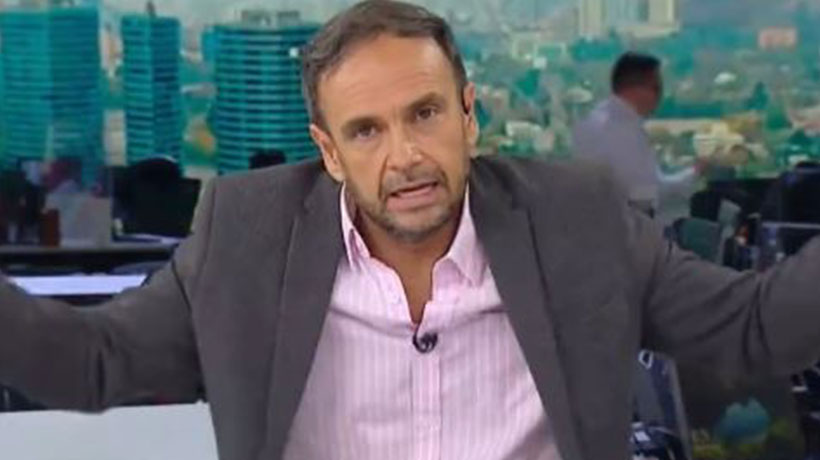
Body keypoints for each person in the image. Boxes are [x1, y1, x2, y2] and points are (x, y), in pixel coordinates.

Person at [0, 2, 819, 460]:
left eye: (425, 114)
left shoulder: (579, 219)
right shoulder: (247, 236)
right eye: (366, 131)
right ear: (328, 151)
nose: (406, 156)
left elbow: (751, 328)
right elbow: (94, 363)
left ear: (468, 114)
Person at [573, 52, 700, 217]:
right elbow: (647, 195)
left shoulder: (593, 120)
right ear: (639, 90)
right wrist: (696, 172)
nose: (660, 97)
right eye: (657, 88)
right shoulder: (623, 131)